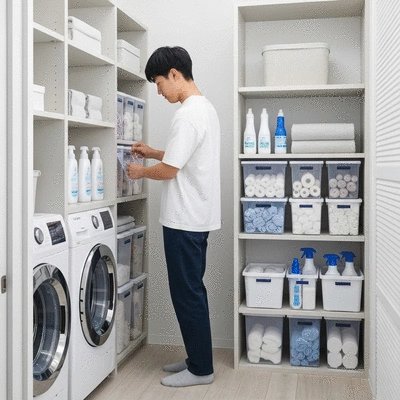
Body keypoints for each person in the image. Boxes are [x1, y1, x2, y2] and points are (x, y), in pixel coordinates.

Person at [127, 46, 221, 388]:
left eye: (158, 82)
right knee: (191, 291)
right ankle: (198, 358)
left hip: (184, 220)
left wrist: (140, 171)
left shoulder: (187, 114)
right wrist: (153, 151)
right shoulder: (204, 109)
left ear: (174, 75)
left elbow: (168, 172)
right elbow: (185, 156)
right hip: (197, 217)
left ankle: (201, 370)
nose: (158, 90)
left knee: (187, 294)